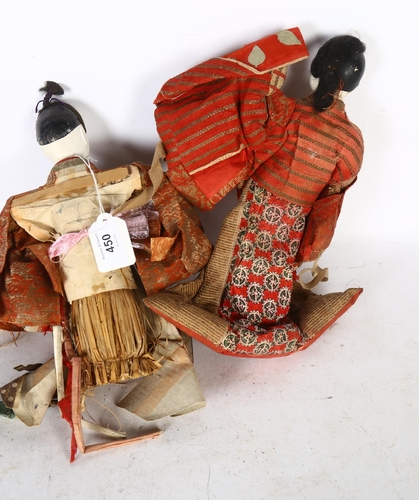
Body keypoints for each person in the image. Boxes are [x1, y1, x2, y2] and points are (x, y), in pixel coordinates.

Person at [145, 31, 366, 356]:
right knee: (277, 266)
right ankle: (270, 321)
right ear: (354, 85)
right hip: (292, 224)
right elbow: (328, 205)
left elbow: (243, 124)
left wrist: (272, 66)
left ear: (315, 70)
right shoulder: (351, 141)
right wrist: (313, 247)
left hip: (252, 207)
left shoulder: (282, 111)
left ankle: (223, 317)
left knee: (235, 262)